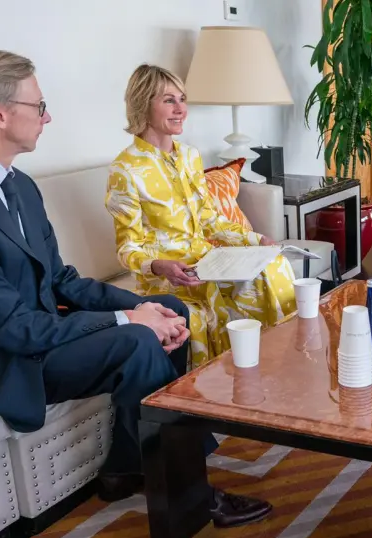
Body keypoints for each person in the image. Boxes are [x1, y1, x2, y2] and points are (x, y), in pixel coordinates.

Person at [0, 50, 272, 526]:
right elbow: (11, 329)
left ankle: (126, 467)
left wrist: (144, 306)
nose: (47, 117)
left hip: (32, 332)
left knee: (168, 307)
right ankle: (189, 494)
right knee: (137, 340)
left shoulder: (18, 185)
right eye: (39, 105)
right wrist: (127, 320)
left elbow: (59, 280)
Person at [106, 64, 295, 368]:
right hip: (167, 277)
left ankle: (277, 361)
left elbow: (209, 220)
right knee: (211, 303)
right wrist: (158, 265)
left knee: (273, 266)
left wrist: (256, 239)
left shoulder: (189, 156)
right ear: (143, 104)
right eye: (169, 100)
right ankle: (227, 376)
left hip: (207, 262)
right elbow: (127, 248)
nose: (181, 109)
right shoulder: (125, 169)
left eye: (182, 99)